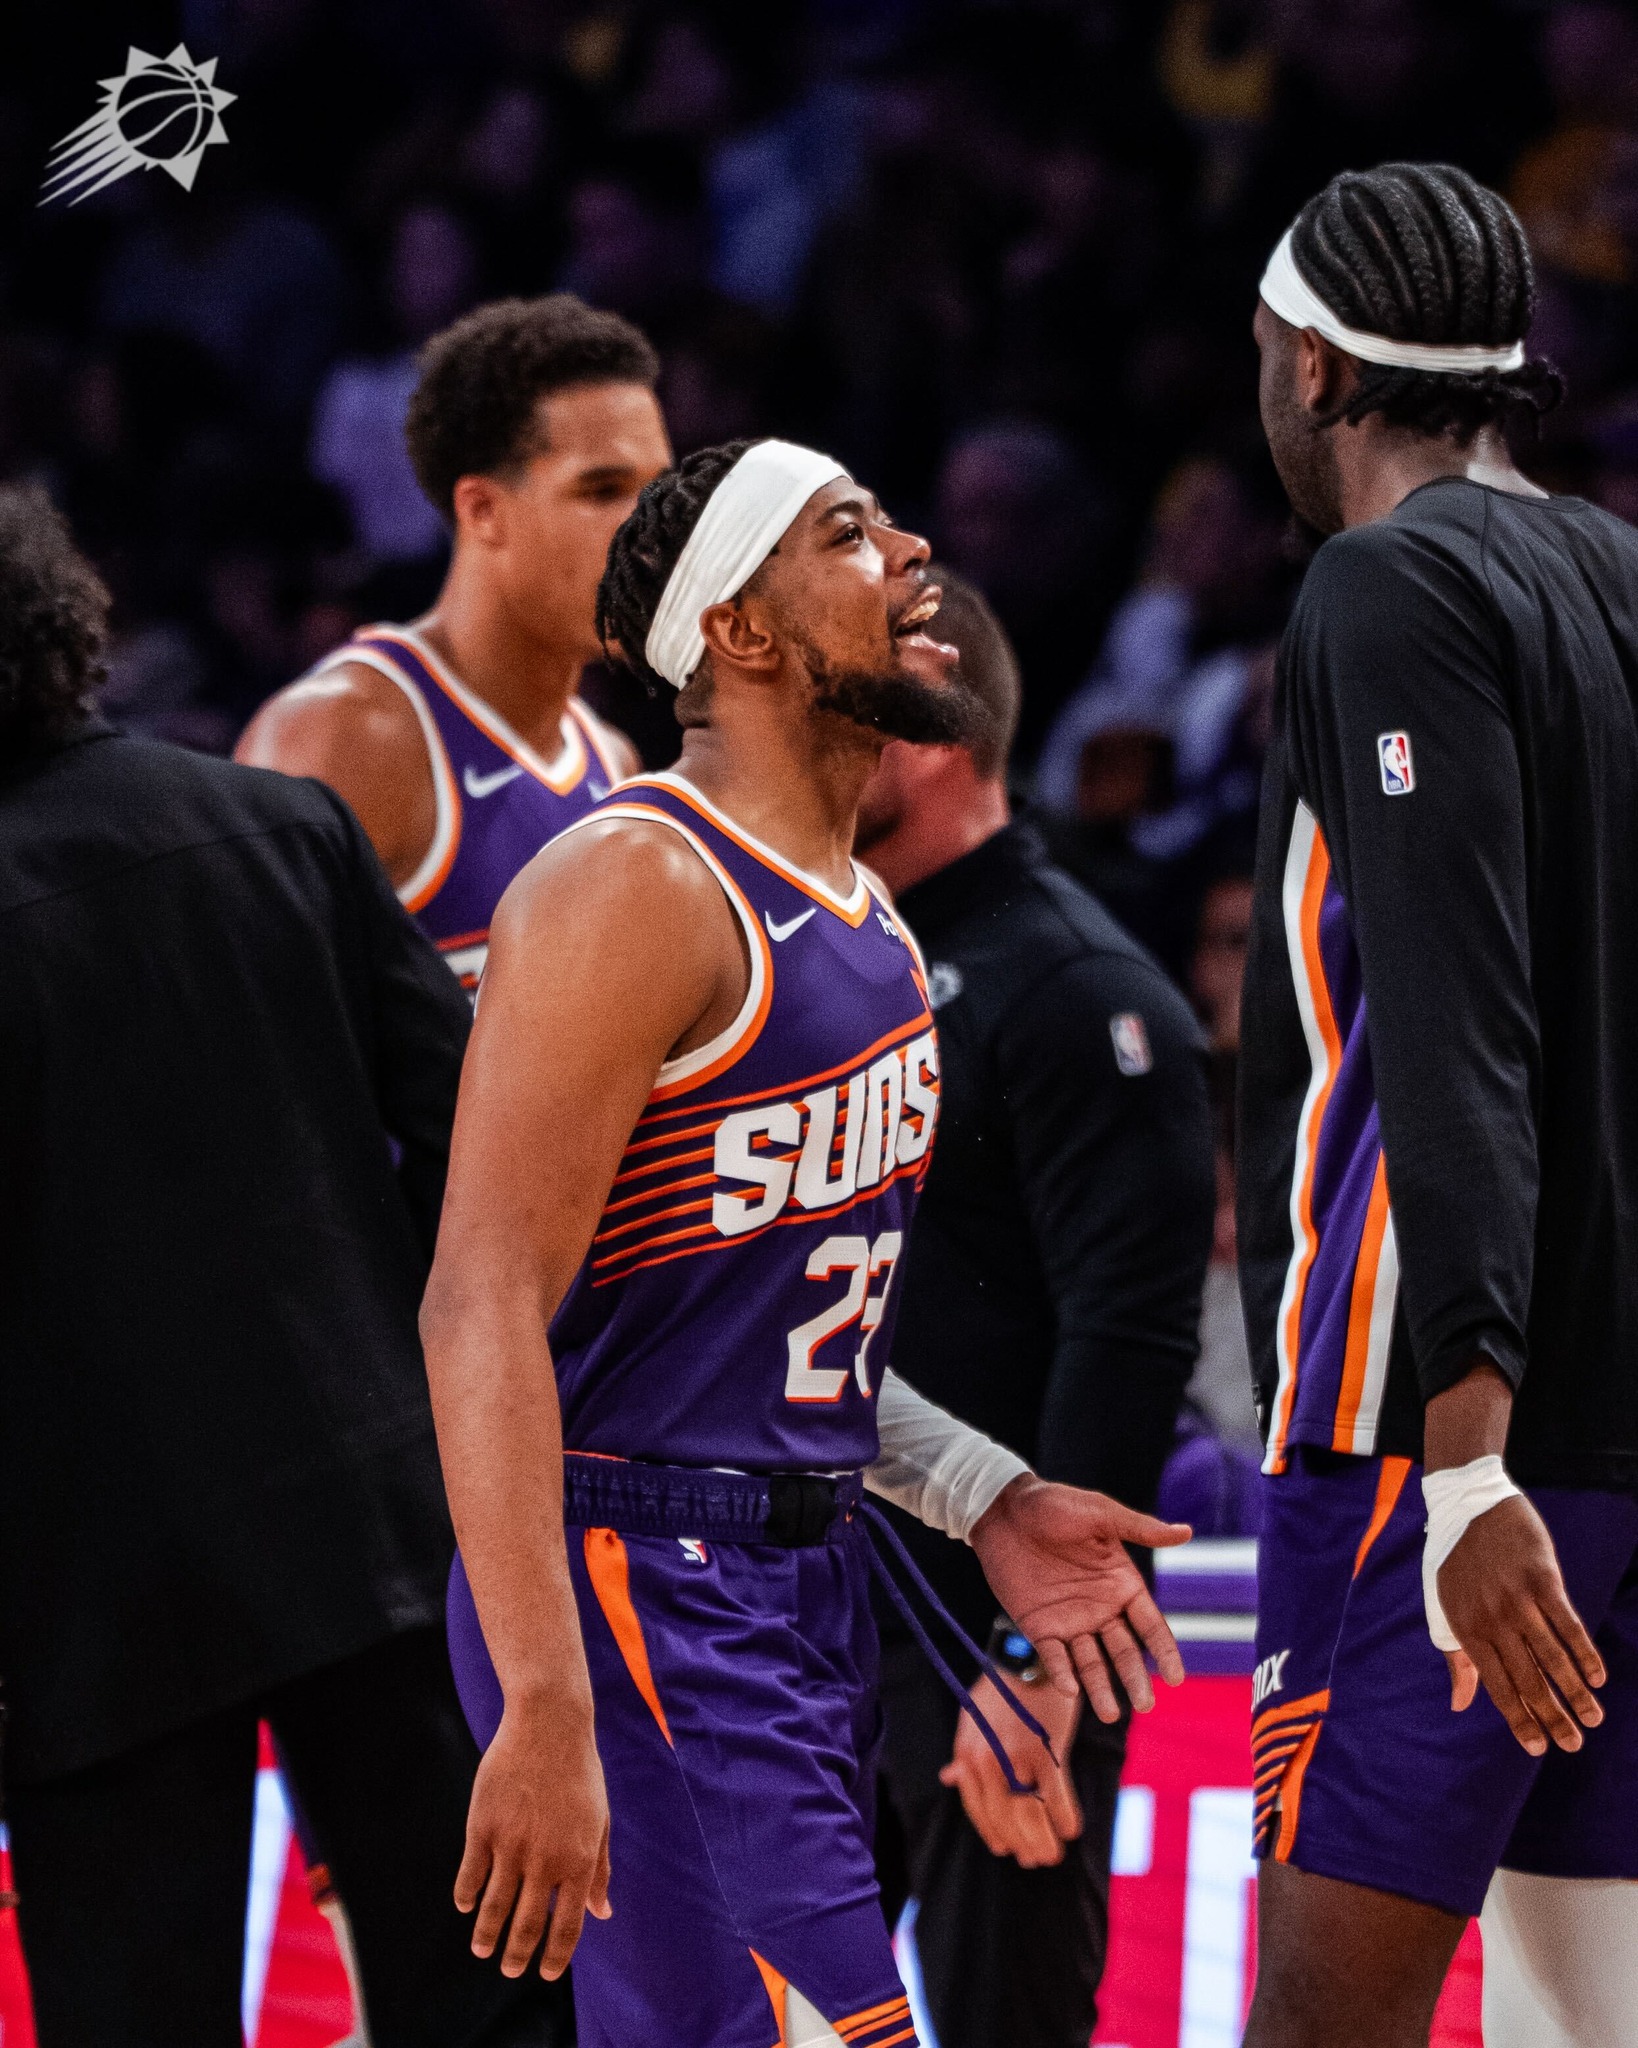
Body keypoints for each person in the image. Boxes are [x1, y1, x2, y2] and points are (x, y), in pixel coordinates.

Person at [418, 437, 1193, 2048]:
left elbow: (788, 1342)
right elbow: (478, 1303)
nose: (909, 550)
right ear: (742, 632)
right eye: (846, 531)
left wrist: (984, 1496)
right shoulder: (636, 882)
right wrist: (546, 1699)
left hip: (808, 1576)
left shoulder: (875, 927)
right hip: (638, 1575)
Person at [0, 487, 566, 2048]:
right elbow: (480, 1151)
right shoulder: (286, 824)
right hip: (378, 1522)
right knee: (490, 2005)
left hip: (89, 1597)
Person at [1237, 162, 1638, 2048]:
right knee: (1588, 2018)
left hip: (1437, 1445)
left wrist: (1462, 1458)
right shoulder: (1619, 574)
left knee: (1325, 2020)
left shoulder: (1381, 584)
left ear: (1314, 369)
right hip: (1620, 1431)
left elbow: (1450, 1022)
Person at [854, 572, 1215, 2048]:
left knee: (1006, 2018)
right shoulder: (829, 958)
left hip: (992, 1629)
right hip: (828, 1604)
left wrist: (1036, 1663)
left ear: (939, 735)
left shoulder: (1073, 984)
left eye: (847, 716)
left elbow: (1129, 1337)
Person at [238, 293, 670, 993]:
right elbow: (239, 1032)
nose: (650, 535)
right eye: (602, 490)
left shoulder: (614, 762)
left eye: (656, 492)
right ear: (483, 510)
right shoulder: (340, 736)